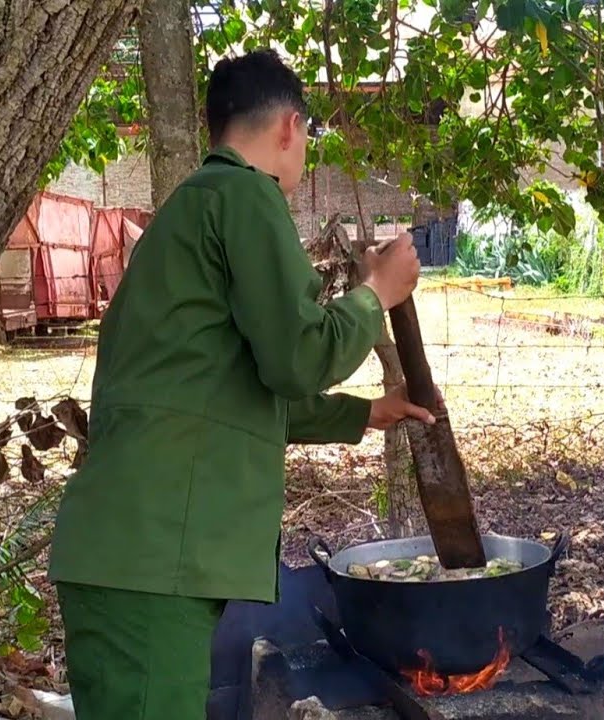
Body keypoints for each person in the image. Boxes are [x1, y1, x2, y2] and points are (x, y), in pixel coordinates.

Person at [47, 50, 434, 719]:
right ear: (289, 127)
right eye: (307, 139)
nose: (303, 157)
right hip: (151, 560)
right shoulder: (244, 195)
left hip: (138, 555)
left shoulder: (192, 212)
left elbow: (227, 394)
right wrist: (377, 294)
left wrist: (366, 413)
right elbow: (298, 357)